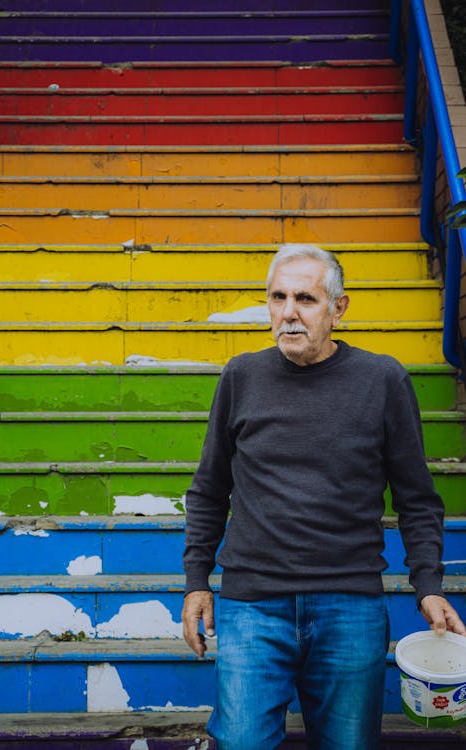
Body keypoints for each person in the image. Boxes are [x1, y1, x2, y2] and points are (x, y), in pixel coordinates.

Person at [181, 243, 465, 750]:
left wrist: (429, 585)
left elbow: (418, 500)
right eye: (277, 297)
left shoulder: (383, 379)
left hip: (348, 605)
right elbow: (209, 490)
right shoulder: (241, 376)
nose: (288, 313)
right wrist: (196, 582)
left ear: (338, 308)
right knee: (240, 743)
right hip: (252, 606)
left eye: (306, 299)